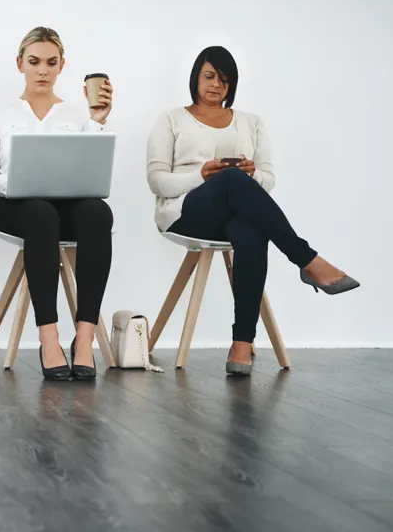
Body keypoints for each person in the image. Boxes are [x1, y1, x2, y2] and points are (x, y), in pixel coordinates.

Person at [146, 46, 359, 376]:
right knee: (231, 180)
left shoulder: (252, 122)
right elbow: (157, 181)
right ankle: (307, 260)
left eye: (224, 79)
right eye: (209, 76)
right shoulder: (171, 119)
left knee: (251, 228)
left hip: (233, 214)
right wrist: (199, 175)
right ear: (195, 78)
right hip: (186, 212)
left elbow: (267, 180)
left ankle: (241, 344)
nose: (216, 84)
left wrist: (252, 175)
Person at [0, 27, 115, 381]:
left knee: (98, 212)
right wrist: (9, 184)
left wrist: (97, 122)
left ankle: (84, 338)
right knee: (40, 214)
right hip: (15, 208)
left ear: (62, 66)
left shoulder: (76, 115)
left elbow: (90, 168)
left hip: (62, 207)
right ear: (20, 63)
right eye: (34, 62)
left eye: (51, 63)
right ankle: (48, 338)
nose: (42, 71)